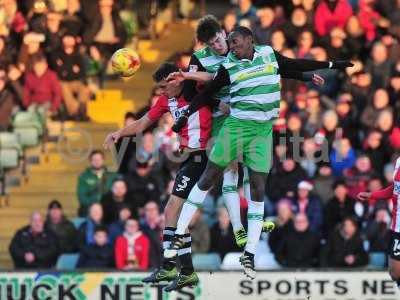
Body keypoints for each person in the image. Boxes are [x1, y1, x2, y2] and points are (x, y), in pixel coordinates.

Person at [167, 26, 353, 279]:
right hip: (236, 128)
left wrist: (331, 64)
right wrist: (184, 117)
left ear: (250, 40)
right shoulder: (229, 66)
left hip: (263, 132)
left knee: (257, 188)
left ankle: (249, 253)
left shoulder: (267, 53)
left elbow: (292, 65)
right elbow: (208, 94)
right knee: (210, 176)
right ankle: (179, 232)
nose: (232, 46)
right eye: (230, 43)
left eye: (236, 42)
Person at [103, 62, 213, 290]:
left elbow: (215, 78)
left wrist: (190, 73)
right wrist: (118, 133)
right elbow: (143, 122)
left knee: (172, 209)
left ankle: (168, 265)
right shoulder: (165, 100)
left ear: (177, 79)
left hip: (206, 156)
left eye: (164, 86)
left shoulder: (197, 89)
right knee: (176, 216)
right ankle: (186, 271)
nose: (161, 91)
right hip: (190, 159)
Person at [358, 156, 400, 291]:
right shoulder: (399, 161)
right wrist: (373, 195)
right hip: (398, 226)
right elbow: (395, 188)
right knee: (395, 272)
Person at [77, 150, 117, 216]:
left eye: (99, 159)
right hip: (89, 211)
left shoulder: (112, 175)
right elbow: (82, 197)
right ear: (90, 161)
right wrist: (95, 204)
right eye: (94, 159)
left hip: (108, 211)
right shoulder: (84, 176)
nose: (97, 161)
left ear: (103, 160)